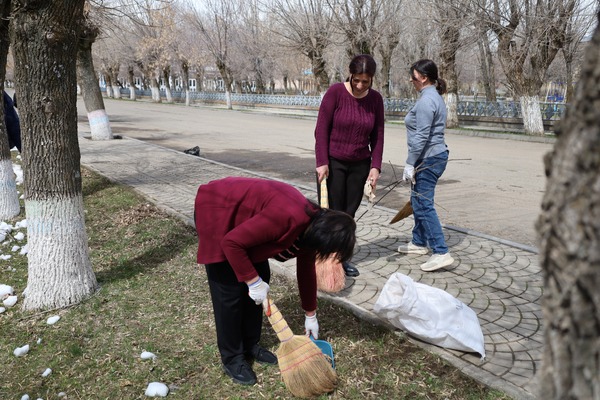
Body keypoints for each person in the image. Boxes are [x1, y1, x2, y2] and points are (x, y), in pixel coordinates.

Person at [194, 177, 356, 386]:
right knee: (230, 294)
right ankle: (232, 358)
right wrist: (253, 282)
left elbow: (306, 269)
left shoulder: (313, 228)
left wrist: (310, 314)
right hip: (219, 211)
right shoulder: (288, 216)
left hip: (246, 226)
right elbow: (231, 243)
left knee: (261, 281)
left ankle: (250, 344)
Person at [314, 54, 385, 278]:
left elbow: (378, 136)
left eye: (365, 81)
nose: (360, 85)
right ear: (350, 75)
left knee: (349, 215)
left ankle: (342, 258)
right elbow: (321, 130)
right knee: (332, 213)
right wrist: (322, 162)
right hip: (333, 163)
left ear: (372, 79)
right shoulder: (335, 92)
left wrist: (375, 167)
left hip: (360, 164)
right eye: (357, 80)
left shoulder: (375, 99)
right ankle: (326, 259)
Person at [397, 59, 454, 272]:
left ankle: (441, 251)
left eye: (413, 77)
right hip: (433, 156)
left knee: (423, 204)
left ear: (423, 77)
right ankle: (419, 242)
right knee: (417, 200)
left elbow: (421, 137)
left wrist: (410, 163)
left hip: (428, 158)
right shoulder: (432, 97)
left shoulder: (426, 101)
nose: (411, 80)